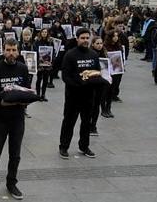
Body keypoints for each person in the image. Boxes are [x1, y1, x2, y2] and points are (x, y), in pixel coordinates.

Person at [0, 38, 30, 201]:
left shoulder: (23, 69)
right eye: (8, 50)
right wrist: (0, 102)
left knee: (15, 154)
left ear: (18, 51)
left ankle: (11, 183)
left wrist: (26, 101)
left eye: (14, 50)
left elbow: (27, 90)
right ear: (3, 50)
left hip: (17, 118)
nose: (11, 53)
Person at [58, 28, 101, 159]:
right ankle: (64, 147)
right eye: (82, 38)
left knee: (86, 122)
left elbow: (97, 71)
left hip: (89, 95)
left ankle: (84, 146)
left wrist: (95, 82)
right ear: (77, 39)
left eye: (87, 38)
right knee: (69, 122)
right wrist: (79, 84)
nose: (85, 40)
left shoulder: (93, 54)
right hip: (73, 96)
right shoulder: (70, 55)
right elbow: (65, 76)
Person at [89, 36, 108, 135]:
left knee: (97, 105)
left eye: (101, 43)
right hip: (91, 83)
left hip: (101, 83)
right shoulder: (89, 54)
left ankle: (93, 126)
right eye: (97, 43)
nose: (100, 45)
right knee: (90, 105)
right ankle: (88, 124)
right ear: (92, 44)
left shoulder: (105, 54)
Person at [34, 28, 53, 101]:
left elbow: (52, 50)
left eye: (46, 32)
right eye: (43, 32)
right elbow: (35, 50)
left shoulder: (50, 41)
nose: (44, 33)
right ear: (41, 33)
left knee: (45, 80)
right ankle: (38, 95)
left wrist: (51, 59)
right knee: (39, 79)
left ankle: (43, 95)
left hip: (47, 64)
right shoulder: (37, 41)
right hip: (40, 63)